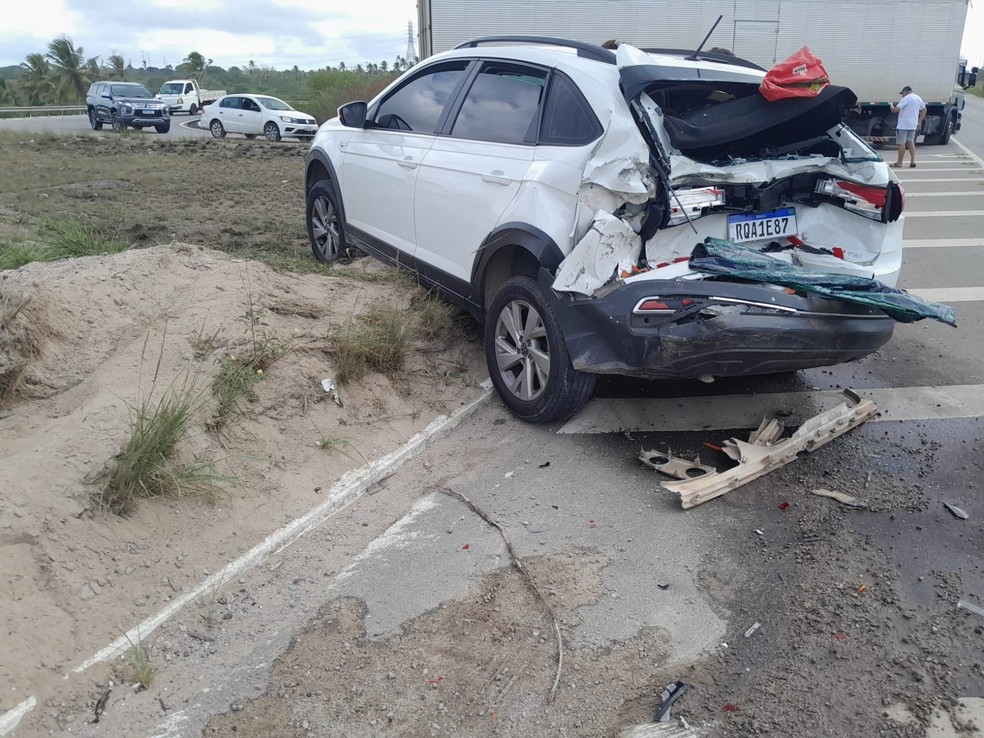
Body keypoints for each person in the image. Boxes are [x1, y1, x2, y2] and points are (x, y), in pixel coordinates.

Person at [889, 85, 927, 168]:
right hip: (913, 124)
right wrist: (919, 122)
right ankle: (913, 161)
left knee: (901, 143)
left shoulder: (906, 98)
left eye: (902, 93)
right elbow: (924, 110)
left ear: (905, 92)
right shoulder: (918, 98)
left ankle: (899, 162)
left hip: (903, 125)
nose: (902, 95)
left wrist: (891, 106)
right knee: (910, 142)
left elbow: (896, 110)